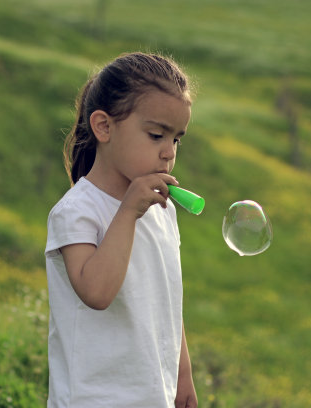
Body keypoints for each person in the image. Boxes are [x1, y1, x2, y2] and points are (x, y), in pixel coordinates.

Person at [44, 52, 198, 408]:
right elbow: (96, 293)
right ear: (104, 127)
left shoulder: (162, 211)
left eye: (176, 140)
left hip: (151, 394)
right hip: (93, 397)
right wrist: (128, 210)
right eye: (156, 134)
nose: (168, 153)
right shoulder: (77, 211)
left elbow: (167, 299)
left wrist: (182, 373)